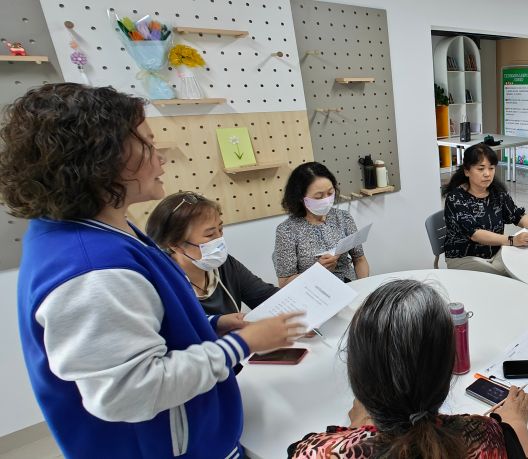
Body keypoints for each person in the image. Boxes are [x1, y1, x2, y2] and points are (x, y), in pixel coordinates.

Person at [1, 83, 306, 458]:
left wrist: (211, 326)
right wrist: (243, 345)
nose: (160, 157)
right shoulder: (93, 270)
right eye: (146, 143)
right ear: (102, 158)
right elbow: (128, 392)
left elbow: (137, 328)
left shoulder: (94, 232)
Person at [288, 279, 528, 458]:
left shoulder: (313, 452)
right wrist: (515, 424)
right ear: (446, 369)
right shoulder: (486, 435)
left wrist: (357, 428)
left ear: (357, 372)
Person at [147, 191, 278, 316]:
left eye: (220, 229)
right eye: (209, 235)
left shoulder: (224, 264)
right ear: (175, 245)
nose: (219, 240)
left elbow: (266, 296)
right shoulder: (163, 283)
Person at [443, 144, 528, 276]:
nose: (487, 174)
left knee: (527, 266)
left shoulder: (497, 193)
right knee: (509, 277)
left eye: (491, 168)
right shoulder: (456, 198)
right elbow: (475, 234)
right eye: (481, 169)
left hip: (496, 252)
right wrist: (512, 240)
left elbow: (518, 216)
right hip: (464, 257)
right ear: (467, 171)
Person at [274, 162, 370, 286]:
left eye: (330, 193)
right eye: (318, 197)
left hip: (349, 285)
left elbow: (359, 259)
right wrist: (316, 271)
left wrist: (364, 286)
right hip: (312, 291)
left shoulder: (343, 217)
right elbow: (284, 283)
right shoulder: (287, 230)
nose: (326, 200)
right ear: (300, 197)